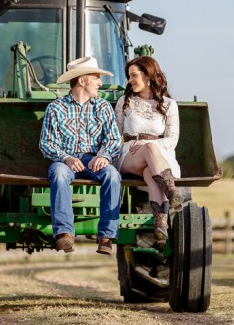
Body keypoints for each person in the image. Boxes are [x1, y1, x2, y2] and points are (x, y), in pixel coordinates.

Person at [39, 56, 122, 256]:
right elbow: (46, 144)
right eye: (96, 78)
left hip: (94, 160)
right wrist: (66, 158)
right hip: (65, 161)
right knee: (58, 173)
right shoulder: (56, 108)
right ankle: (65, 234)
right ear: (82, 81)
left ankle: (106, 236)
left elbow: (114, 140)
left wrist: (103, 156)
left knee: (112, 175)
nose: (100, 83)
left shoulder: (102, 107)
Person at [115, 55, 183, 243]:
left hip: (158, 155)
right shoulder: (125, 102)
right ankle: (171, 191)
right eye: (129, 76)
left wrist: (148, 145)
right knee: (149, 151)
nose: (130, 80)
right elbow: (116, 135)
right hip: (130, 154)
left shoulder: (169, 105)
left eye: (134, 75)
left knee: (149, 170)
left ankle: (160, 224)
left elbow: (172, 139)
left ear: (148, 75)